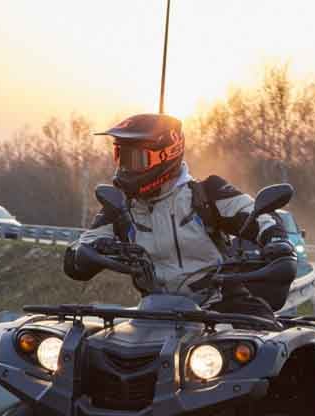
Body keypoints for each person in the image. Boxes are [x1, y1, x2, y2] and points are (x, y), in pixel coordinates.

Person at [63, 113, 295, 319]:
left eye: (136, 159)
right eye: (121, 156)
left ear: (167, 154)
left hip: (223, 303)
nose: (126, 167)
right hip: (155, 313)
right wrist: (84, 253)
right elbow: (80, 252)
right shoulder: (121, 207)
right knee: (87, 346)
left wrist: (277, 241)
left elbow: (258, 216)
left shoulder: (207, 193)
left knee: (265, 342)